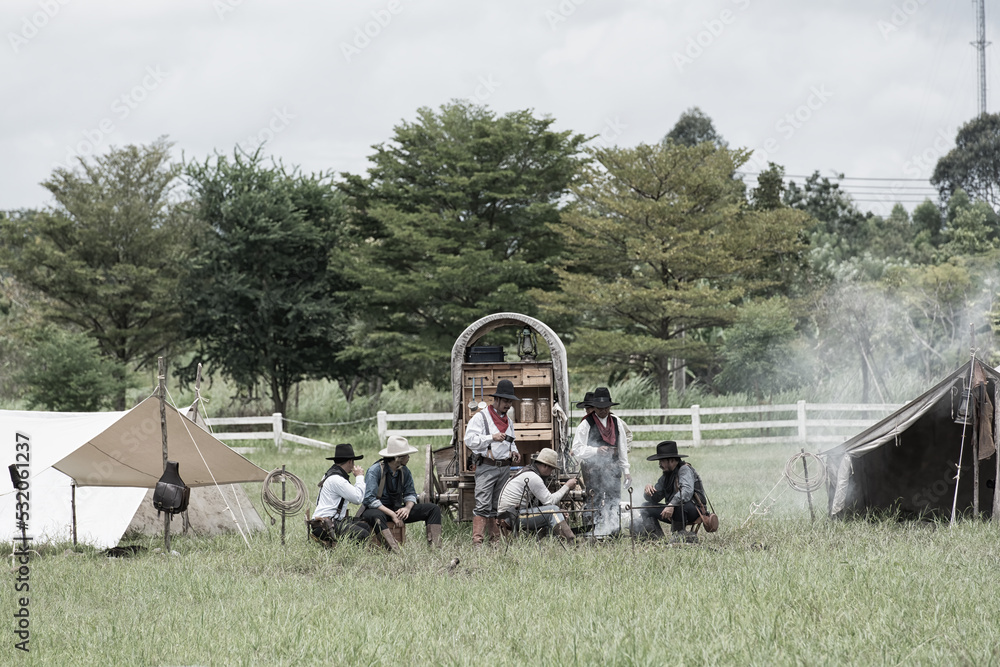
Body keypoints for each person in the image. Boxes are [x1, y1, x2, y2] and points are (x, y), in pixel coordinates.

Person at [464, 378, 521, 547]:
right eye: (505, 401)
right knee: (482, 505)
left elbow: (512, 441)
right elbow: (469, 440)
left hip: (504, 468)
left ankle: (495, 541)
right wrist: (491, 437)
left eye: (510, 401)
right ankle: (478, 543)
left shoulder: (508, 421)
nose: (508, 404)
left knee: (497, 506)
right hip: (487, 466)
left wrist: (514, 451)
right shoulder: (481, 418)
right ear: (496, 400)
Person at [360, 435, 443, 551]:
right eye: (407, 455)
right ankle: (395, 551)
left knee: (433, 509)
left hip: (397, 509)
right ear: (398, 457)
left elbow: (410, 494)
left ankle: (436, 548)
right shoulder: (375, 470)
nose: (409, 457)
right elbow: (370, 499)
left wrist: (407, 508)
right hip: (379, 509)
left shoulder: (405, 471)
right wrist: (393, 515)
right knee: (376, 516)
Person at [570, 386, 631, 536]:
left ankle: (613, 531)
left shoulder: (616, 422)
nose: (602, 411)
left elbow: (622, 448)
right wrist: (595, 450)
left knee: (614, 500)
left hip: (613, 468)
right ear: (594, 407)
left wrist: (627, 471)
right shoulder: (586, 424)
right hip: (594, 469)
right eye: (599, 407)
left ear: (609, 407)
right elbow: (577, 448)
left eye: (605, 407)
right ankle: (593, 532)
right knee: (593, 500)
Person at [497, 448, 578, 542]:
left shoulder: (529, 473)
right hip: (511, 516)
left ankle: (541, 541)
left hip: (511, 514)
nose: (551, 472)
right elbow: (550, 502)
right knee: (553, 510)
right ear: (545, 466)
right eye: (551, 468)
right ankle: (571, 541)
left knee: (555, 511)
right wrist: (567, 486)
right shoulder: (533, 477)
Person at [637, 440, 708, 543]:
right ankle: (656, 538)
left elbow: (686, 492)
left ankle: (679, 536)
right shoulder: (666, 476)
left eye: (662, 461)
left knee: (679, 505)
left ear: (671, 460)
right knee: (645, 507)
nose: (660, 464)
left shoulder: (685, 469)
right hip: (673, 510)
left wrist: (671, 505)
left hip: (694, 510)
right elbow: (656, 497)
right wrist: (648, 491)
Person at [310, 443, 370, 545]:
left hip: (324, 522)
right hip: (325, 525)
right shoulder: (337, 479)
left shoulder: (330, 475)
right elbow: (358, 498)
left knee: (366, 527)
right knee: (362, 534)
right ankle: (348, 554)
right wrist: (359, 477)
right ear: (350, 461)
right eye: (353, 461)